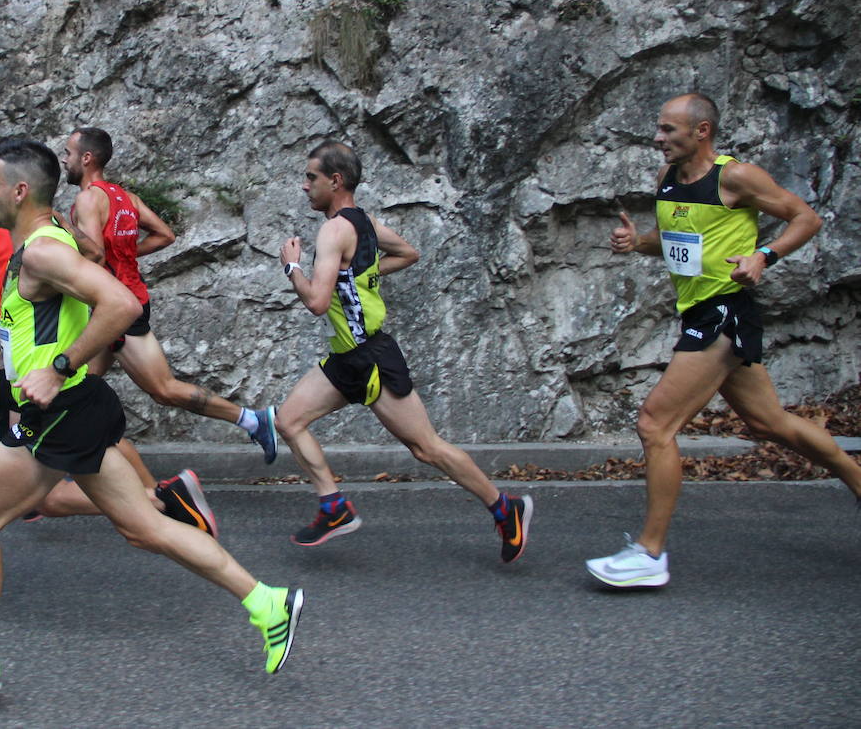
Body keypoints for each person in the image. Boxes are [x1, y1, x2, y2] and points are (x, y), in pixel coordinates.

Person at [0, 140, 304, 694]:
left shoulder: (43, 252)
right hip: (79, 410)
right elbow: (54, 321)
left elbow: (122, 304)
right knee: (146, 527)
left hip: (57, 415)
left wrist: (58, 367)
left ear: (20, 191)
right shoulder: (49, 244)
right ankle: (268, 602)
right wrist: (10, 355)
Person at [0, 141, 219, 619]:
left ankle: (164, 504)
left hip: (33, 387)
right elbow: (78, 273)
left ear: (1, 187)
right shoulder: (46, 230)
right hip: (10, 375)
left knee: (26, 502)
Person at [585, 93, 861, 588]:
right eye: (659, 128)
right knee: (769, 422)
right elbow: (678, 245)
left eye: (669, 130)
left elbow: (806, 218)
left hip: (724, 312)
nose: (658, 138)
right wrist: (639, 243)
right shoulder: (669, 179)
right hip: (699, 310)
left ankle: (649, 555)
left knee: (654, 424)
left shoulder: (735, 177)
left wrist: (764, 256)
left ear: (702, 131)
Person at [269, 140, 533, 560]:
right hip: (344, 357)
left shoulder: (335, 229)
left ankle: (506, 508)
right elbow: (408, 252)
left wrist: (292, 267)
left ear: (335, 181)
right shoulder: (366, 224)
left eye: (311, 177)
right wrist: (354, 277)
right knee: (288, 421)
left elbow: (317, 303)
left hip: (371, 358)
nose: (304, 186)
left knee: (426, 447)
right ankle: (333, 507)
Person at [60, 127, 278, 463]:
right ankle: (68, 459)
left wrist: (63, 227)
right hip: (122, 300)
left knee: (163, 389)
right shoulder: (125, 198)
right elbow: (164, 235)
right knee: (79, 384)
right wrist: (128, 256)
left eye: (68, 153)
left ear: (86, 158)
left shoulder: (88, 200)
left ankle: (253, 420)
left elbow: (94, 255)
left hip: (117, 309)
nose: (64, 160)